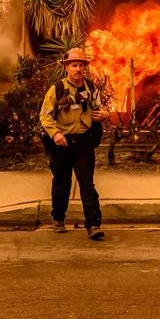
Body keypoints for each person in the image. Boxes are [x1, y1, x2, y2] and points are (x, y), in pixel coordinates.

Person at [39, 48, 109, 240]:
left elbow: (100, 108)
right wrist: (55, 134)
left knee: (87, 184)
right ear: (67, 67)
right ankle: (58, 218)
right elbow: (45, 117)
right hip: (62, 144)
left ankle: (93, 225)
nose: (78, 69)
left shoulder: (91, 88)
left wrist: (104, 115)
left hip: (84, 143)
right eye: (74, 65)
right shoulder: (57, 89)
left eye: (81, 65)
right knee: (61, 183)